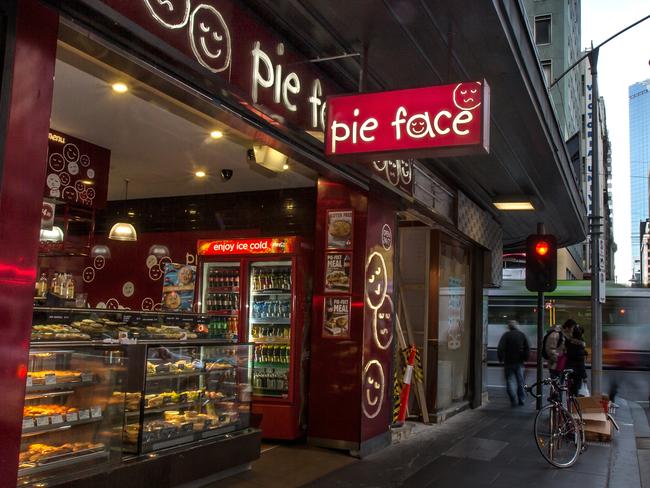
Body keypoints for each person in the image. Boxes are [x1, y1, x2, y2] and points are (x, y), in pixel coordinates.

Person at [497, 320, 530, 406]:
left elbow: (500, 348)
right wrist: (525, 358)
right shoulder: (522, 335)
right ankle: (521, 399)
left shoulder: (506, 335)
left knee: (509, 381)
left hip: (508, 362)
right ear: (517, 326)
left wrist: (501, 359)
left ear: (509, 327)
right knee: (520, 382)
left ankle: (512, 398)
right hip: (519, 362)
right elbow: (527, 348)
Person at [565, 322, 588, 396]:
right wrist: (584, 376)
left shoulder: (569, 343)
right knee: (576, 392)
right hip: (577, 373)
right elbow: (581, 363)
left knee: (570, 391)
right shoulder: (580, 347)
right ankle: (574, 406)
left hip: (569, 370)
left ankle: (570, 404)